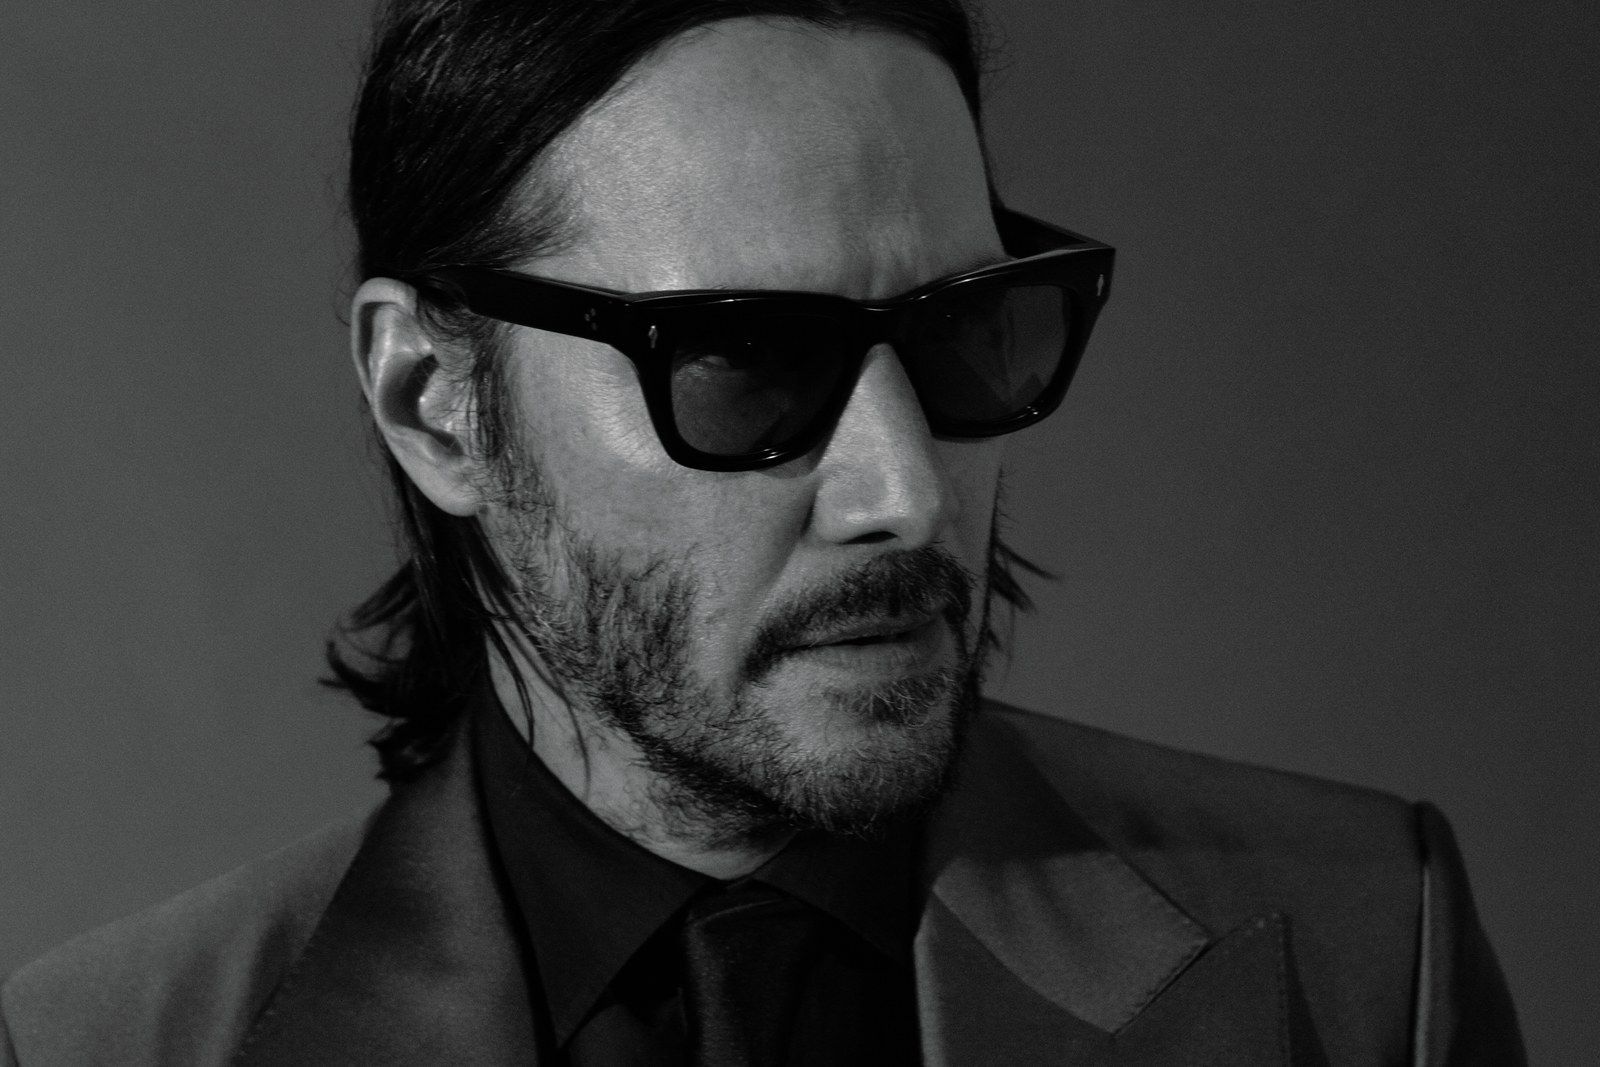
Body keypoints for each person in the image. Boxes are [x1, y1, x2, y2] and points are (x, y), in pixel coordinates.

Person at [0, 0, 1524, 1063]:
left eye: (966, 333)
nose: (905, 490)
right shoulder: (102, 1046)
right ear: (435, 403)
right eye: (743, 360)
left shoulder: (1361, 948)